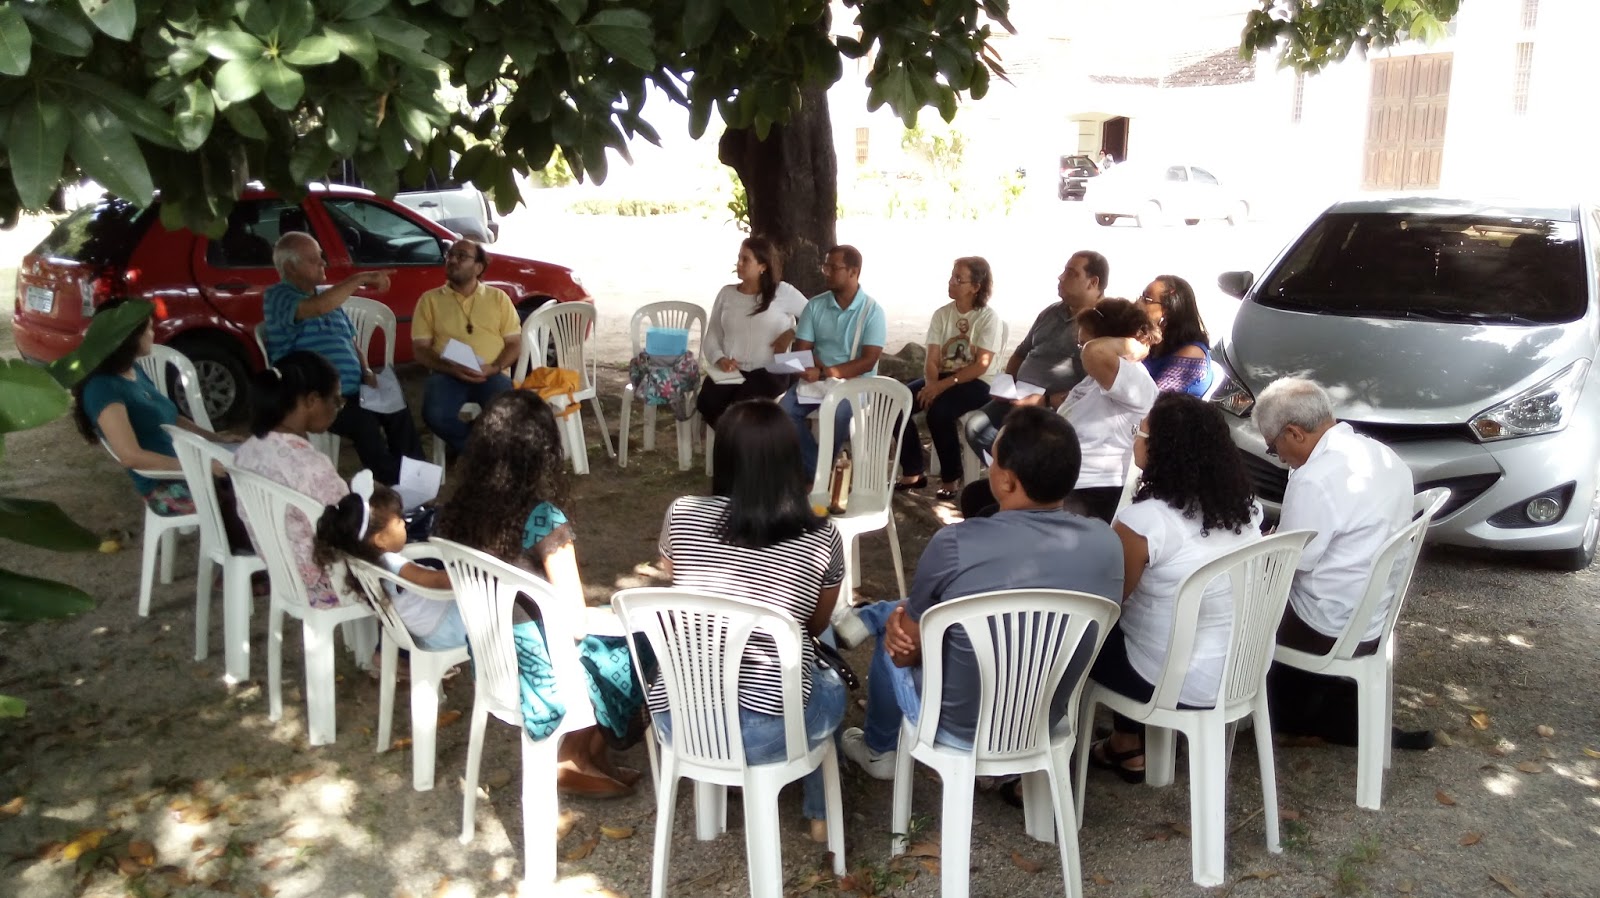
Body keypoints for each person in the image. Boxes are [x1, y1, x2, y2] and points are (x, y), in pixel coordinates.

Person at [840, 406, 1123, 779]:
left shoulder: (954, 544)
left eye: (993, 458)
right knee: (920, 615)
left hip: (956, 729)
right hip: (1044, 720)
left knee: (895, 631)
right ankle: (870, 617)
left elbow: (905, 653)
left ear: (1006, 482)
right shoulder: (1107, 542)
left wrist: (898, 636)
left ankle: (878, 751)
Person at [433, 391, 645, 797]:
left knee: (617, 625)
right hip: (546, 666)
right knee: (645, 638)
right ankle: (575, 753)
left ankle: (591, 755)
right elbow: (576, 623)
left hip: (494, 657)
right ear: (542, 452)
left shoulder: (458, 512)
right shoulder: (542, 518)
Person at [655, 399, 848, 842]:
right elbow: (814, 625)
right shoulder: (822, 535)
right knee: (828, 656)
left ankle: (717, 798)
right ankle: (820, 813)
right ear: (791, 460)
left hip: (679, 719)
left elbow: (673, 575)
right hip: (769, 733)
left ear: (722, 456)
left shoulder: (681, 512)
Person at [1083, 393, 1263, 782]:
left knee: (1081, 632)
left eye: (1140, 431)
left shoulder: (1143, 522)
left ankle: (1113, 743)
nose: (1136, 437)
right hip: (1239, 671)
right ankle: (1128, 744)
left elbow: (1108, 602)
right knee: (1145, 621)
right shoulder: (1246, 510)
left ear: (1161, 450)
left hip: (1171, 682)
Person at [1254, 379, 1430, 748]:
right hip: (1373, 617)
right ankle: (1314, 712)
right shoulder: (1383, 455)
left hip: (1326, 626)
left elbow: (1294, 561)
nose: (1279, 458)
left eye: (1274, 447)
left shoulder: (1313, 478)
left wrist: (1262, 545)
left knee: (1232, 600)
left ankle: (1226, 711)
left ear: (1294, 433)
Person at [959, 297, 1158, 523]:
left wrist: (1136, 346)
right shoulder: (1095, 380)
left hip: (1091, 491)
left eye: (1085, 344)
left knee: (988, 516)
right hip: (1059, 479)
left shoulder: (1134, 381)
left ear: (1110, 342)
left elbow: (1095, 353)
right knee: (975, 496)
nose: (1082, 351)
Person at [264, 232, 422, 484]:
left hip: (356, 387)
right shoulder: (278, 296)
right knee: (365, 424)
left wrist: (367, 371)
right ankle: (396, 485)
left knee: (397, 408)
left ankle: (418, 480)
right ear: (291, 267)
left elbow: (351, 342)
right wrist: (360, 278)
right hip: (315, 395)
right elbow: (316, 308)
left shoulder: (327, 298)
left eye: (321, 257)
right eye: (313, 260)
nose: (322, 263)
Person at [66, 299, 240, 524]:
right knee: (251, 494)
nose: (153, 333)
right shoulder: (102, 389)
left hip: (186, 465)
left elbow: (170, 416)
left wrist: (216, 438)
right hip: (163, 486)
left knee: (256, 465)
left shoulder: (132, 368)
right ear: (129, 338)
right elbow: (131, 457)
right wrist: (202, 467)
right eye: (148, 329)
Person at [232, 351, 352, 611]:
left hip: (283, 572)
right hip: (330, 581)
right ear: (312, 400)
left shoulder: (247, 451)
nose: (337, 408)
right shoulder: (309, 464)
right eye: (336, 400)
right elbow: (350, 526)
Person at [963, 250, 1108, 461]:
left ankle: (1017, 475)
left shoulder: (1102, 324)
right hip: (1019, 397)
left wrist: (1044, 400)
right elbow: (1021, 353)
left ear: (1093, 282)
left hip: (1058, 409)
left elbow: (1095, 387)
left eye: (1071, 273)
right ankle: (1014, 474)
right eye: (1064, 271)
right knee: (976, 427)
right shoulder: (1051, 312)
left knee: (1021, 446)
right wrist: (1007, 385)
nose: (1061, 277)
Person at [313, 472, 465, 652]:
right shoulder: (391, 563)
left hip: (422, 630)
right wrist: (475, 577)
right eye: (399, 520)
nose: (404, 523)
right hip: (446, 629)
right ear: (380, 539)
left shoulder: (363, 561)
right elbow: (435, 581)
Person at [896, 256, 1004, 501]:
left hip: (978, 382)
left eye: (958, 279)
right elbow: (932, 358)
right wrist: (931, 384)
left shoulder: (988, 318)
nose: (951, 282)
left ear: (975, 287)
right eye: (952, 276)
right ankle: (913, 470)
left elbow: (981, 365)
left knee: (939, 412)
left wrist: (941, 387)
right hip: (943, 377)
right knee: (897, 403)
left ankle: (951, 478)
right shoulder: (942, 315)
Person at [779, 245, 888, 476]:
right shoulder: (815, 305)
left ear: (853, 272)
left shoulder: (872, 311)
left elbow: (868, 362)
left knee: (838, 413)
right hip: (817, 380)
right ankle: (821, 470)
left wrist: (824, 371)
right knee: (784, 413)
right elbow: (802, 350)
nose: (826, 272)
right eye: (825, 266)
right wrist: (807, 369)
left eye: (833, 267)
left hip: (857, 384)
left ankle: (819, 472)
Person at [411, 239, 523, 455]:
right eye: (450, 255)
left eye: (461, 256)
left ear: (478, 267)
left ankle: (471, 452)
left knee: (509, 413)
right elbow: (420, 349)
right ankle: (478, 452)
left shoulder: (498, 298)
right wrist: (450, 368)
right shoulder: (429, 300)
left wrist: (495, 367)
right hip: (447, 373)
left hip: (490, 373)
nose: (453, 260)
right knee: (435, 415)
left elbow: (514, 343)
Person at [696, 236, 810, 428]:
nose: (739, 264)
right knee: (707, 401)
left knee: (742, 409)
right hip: (732, 371)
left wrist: (792, 333)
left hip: (771, 370)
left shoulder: (782, 292)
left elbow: (816, 319)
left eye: (746, 259)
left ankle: (737, 442)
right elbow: (713, 335)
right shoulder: (726, 294)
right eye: (739, 258)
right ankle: (732, 441)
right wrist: (720, 358)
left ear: (762, 266)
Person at [1137, 275, 1214, 396]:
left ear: (1168, 311)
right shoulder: (1155, 341)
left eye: (1147, 299)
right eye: (1141, 296)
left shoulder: (1192, 354)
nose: (1138, 303)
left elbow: (1150, 399)